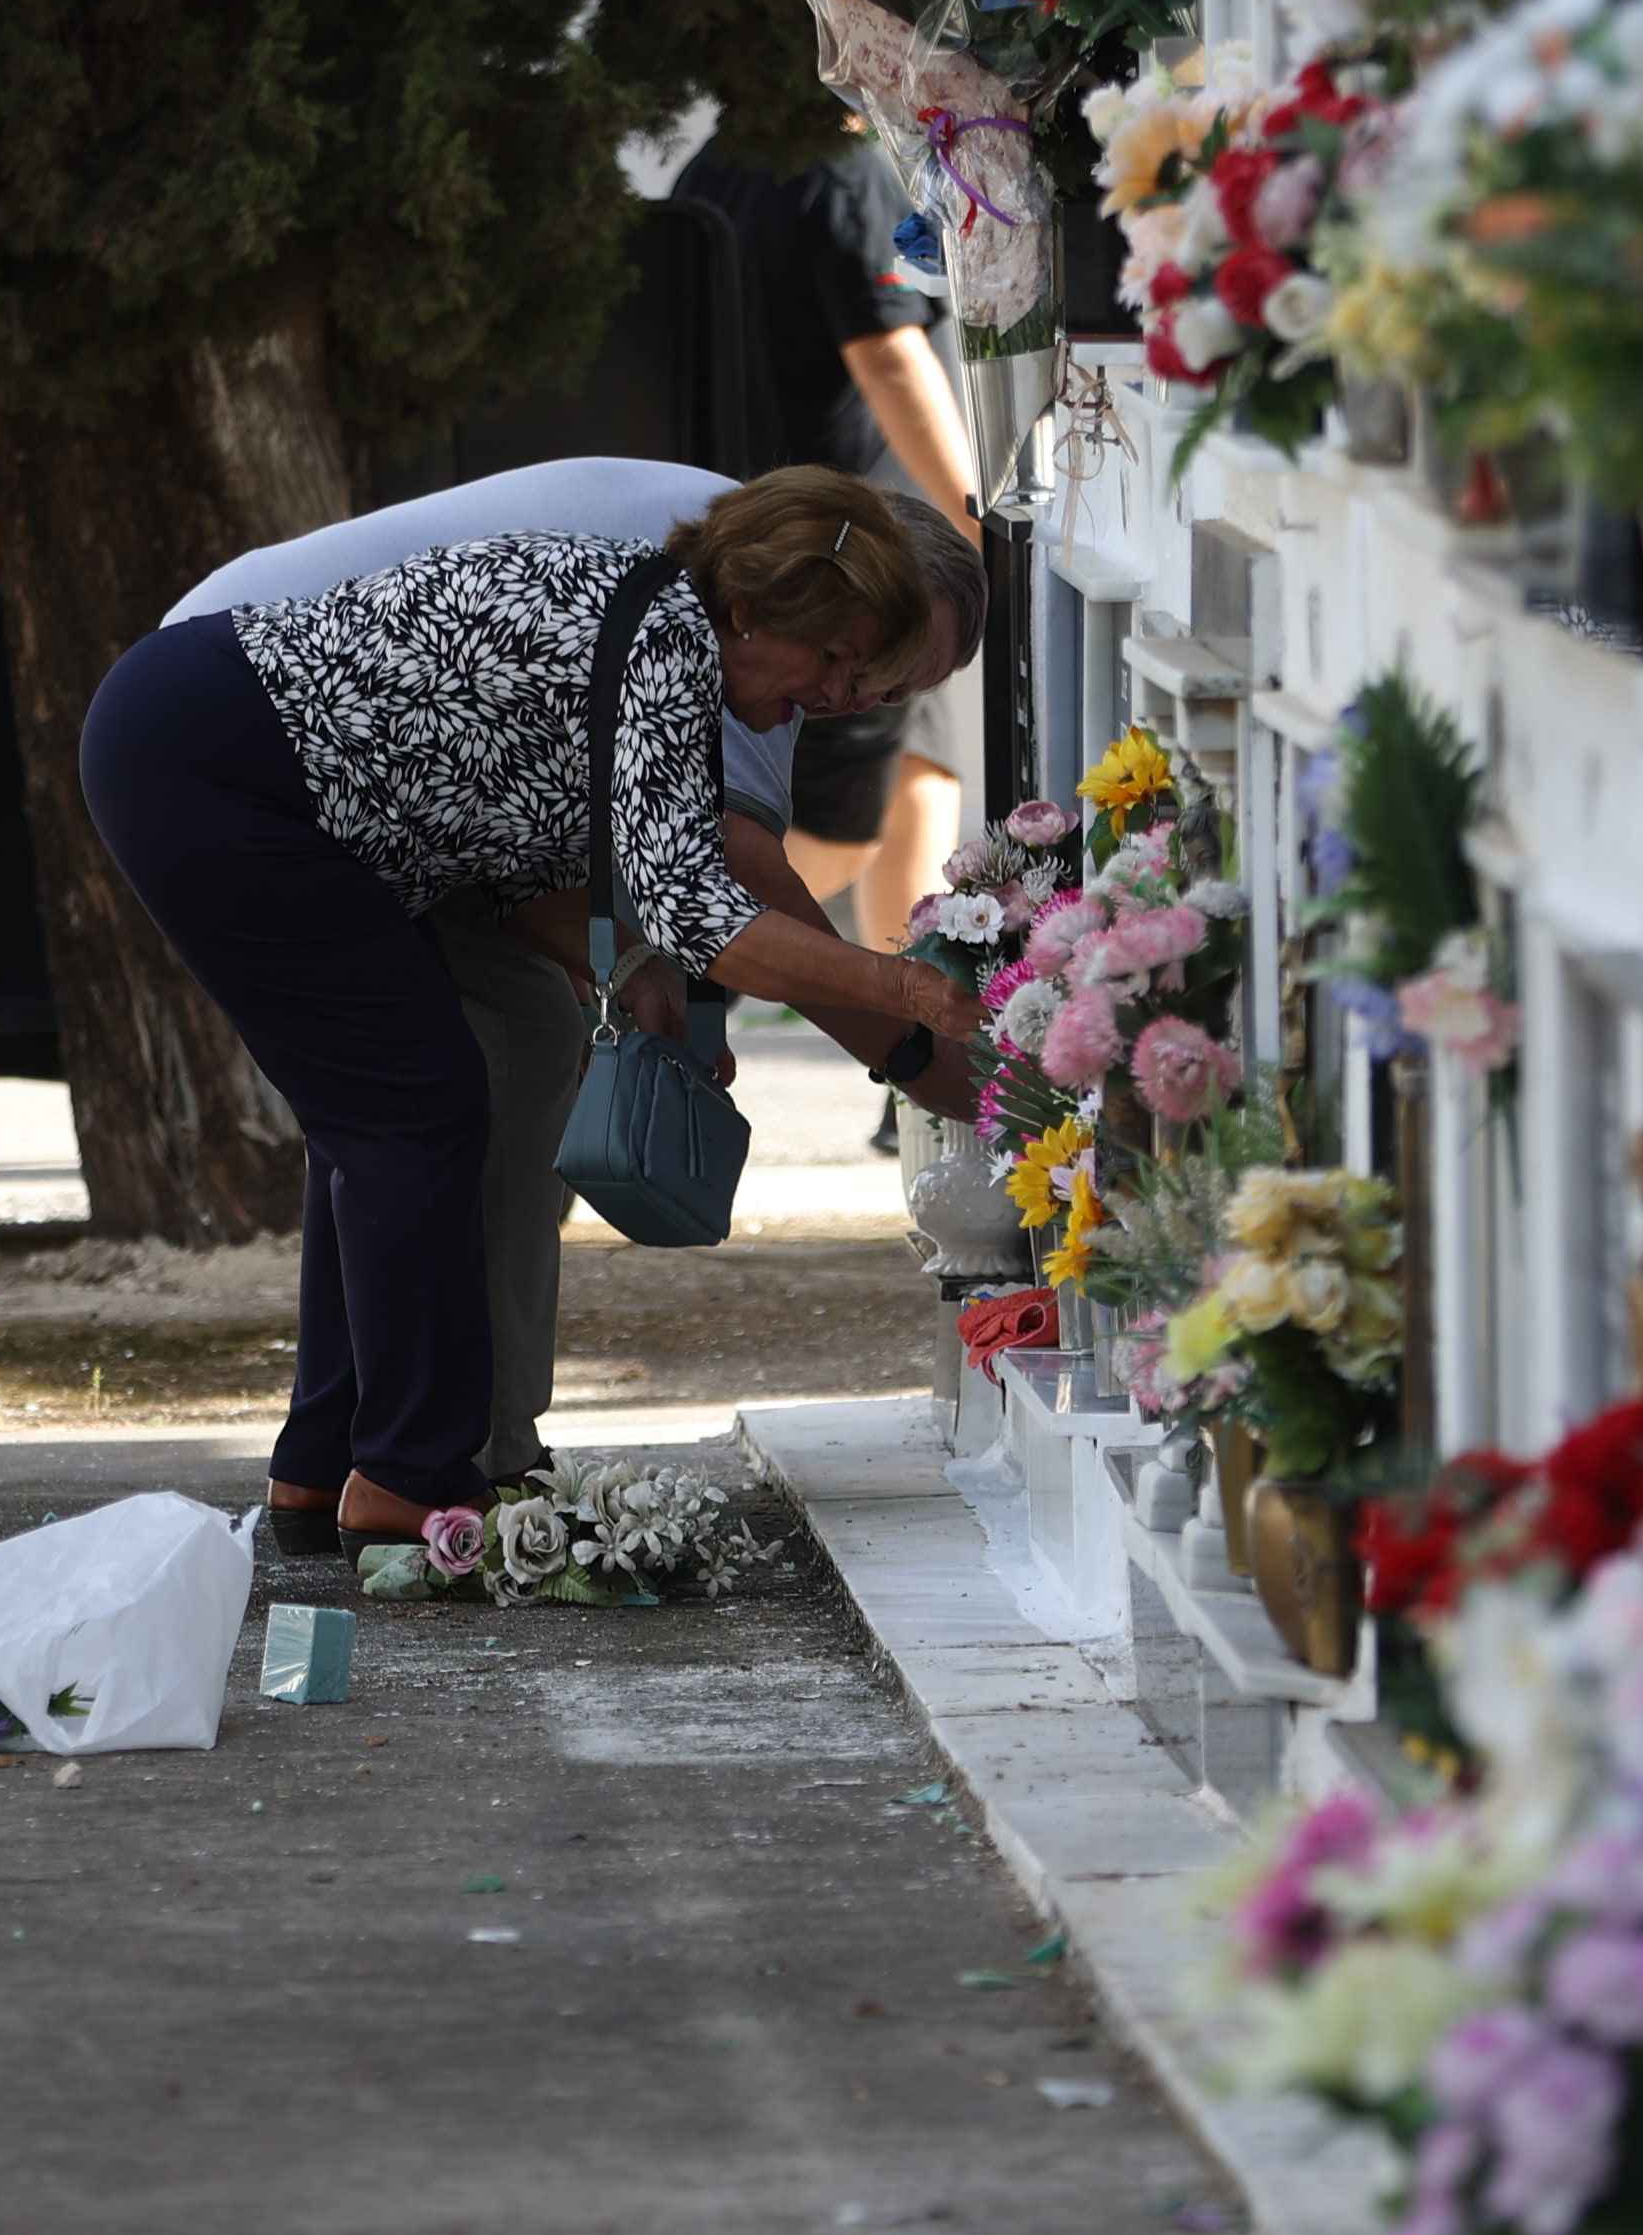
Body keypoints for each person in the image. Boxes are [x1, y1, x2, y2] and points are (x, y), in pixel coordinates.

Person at [80, 467, 982, 1576]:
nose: (840, 695)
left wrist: (624, 967)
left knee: (398, 1110)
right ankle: (415, 1479)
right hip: (221, 766)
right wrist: (914, 999)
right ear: (754, 612)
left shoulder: (668, 631)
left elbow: (505, 824)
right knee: (414, 1110)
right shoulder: (667, 644)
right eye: (835, 659)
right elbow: (714, 911)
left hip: (248, 772)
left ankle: (328, 1468)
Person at [675, 143, 990, 939]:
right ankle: (687, 958)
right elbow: (889, 356)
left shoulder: (718, 166)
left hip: (791, 541)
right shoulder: (847, 171)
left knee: (919, 788)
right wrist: (978, 520)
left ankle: (908, 1026)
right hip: (858, 572)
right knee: (842, 831)